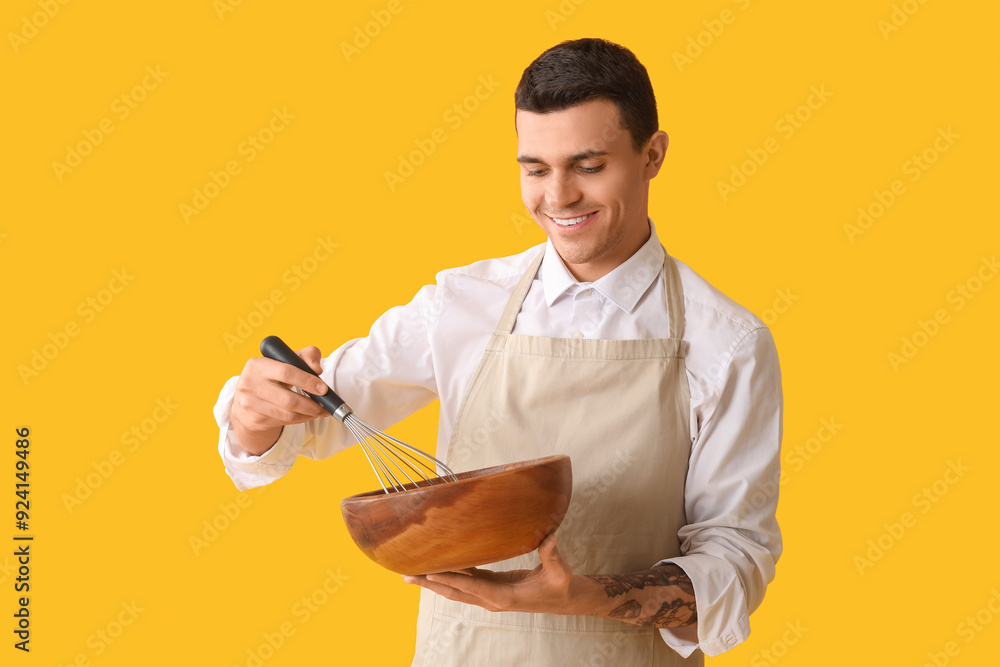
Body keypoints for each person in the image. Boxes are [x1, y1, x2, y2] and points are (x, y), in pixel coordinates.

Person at [214, 38, 782, 666]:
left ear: (653, 155)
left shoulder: (726, 341)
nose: (558, 197)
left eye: (588, 166)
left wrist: (584, 597)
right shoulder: (463, 304)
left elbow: (735, 560)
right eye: (535, 169)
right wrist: (257, 415)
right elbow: (299, 431)